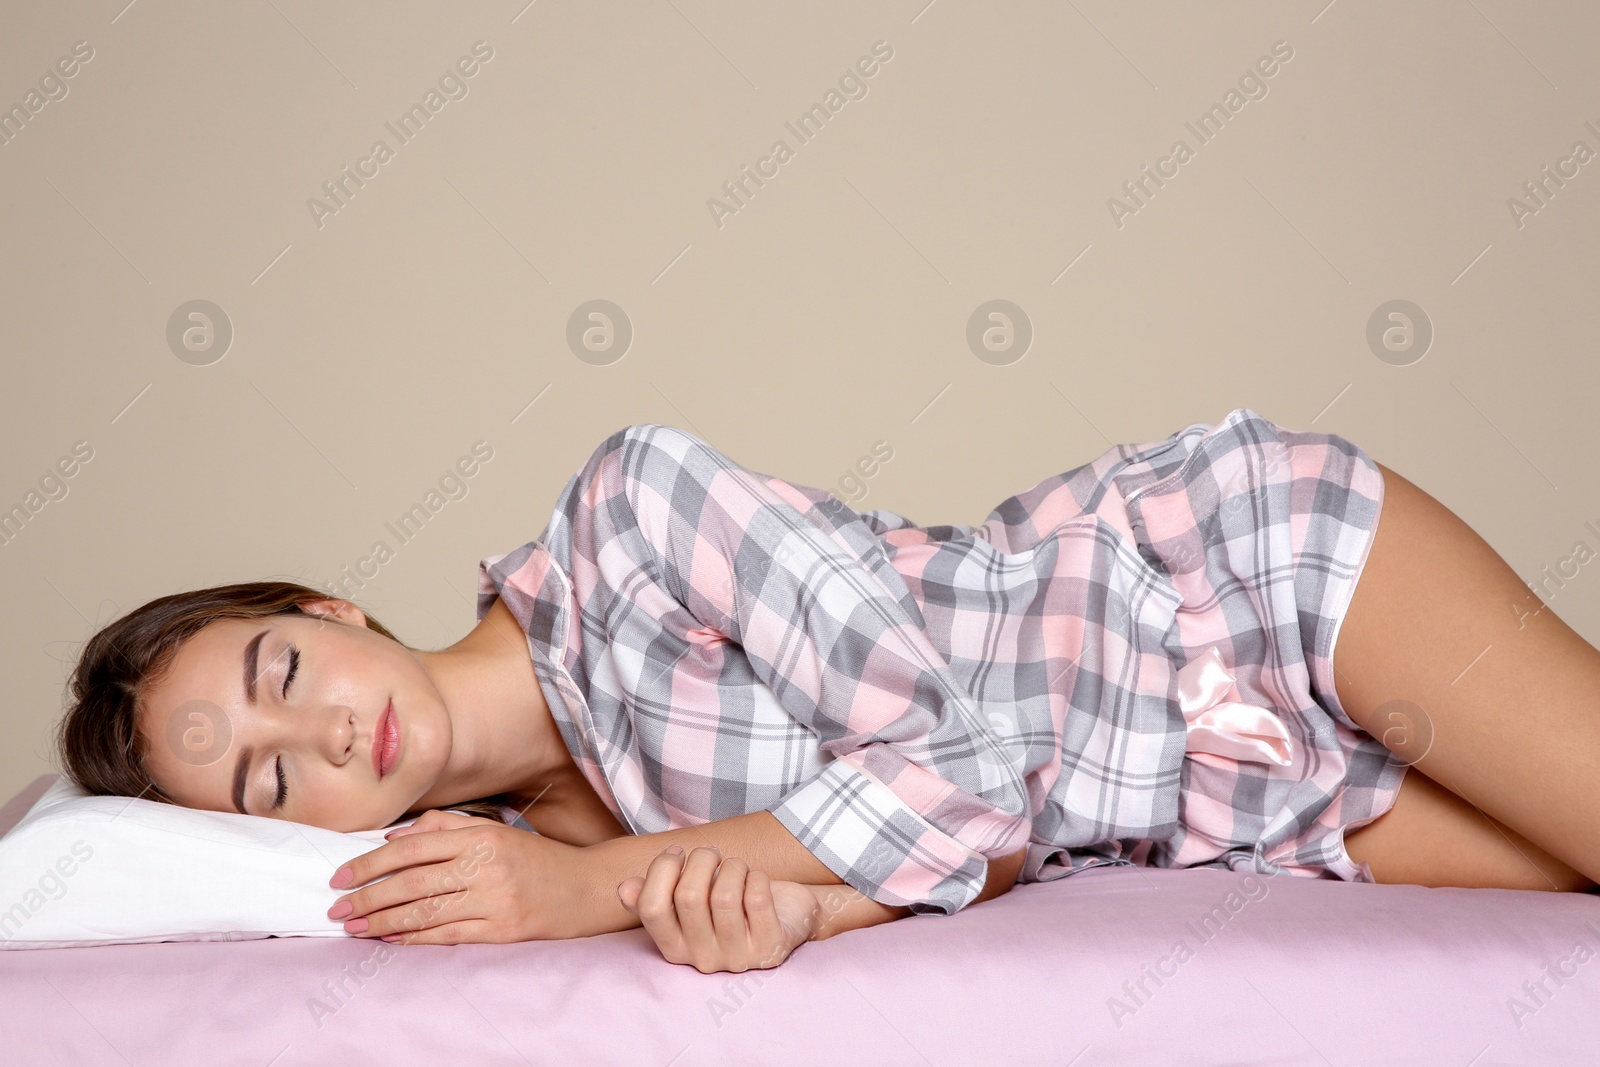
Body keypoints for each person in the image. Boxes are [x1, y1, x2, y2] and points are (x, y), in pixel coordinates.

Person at [54, 410, 1600, 975]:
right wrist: (792, 904)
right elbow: (976, 861)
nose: (321, 732)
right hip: (1204, 798)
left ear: (327, 611)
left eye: (281, 672)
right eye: (267, 781)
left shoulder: (633, 514)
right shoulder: (551, 834)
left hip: (1231, 584)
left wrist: (602, 894)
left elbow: (981, 766)